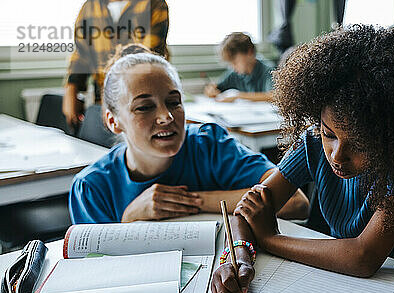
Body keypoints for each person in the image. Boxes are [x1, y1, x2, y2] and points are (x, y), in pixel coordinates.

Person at [210, 25, 394, 293]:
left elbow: (364, 257)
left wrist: (270, 239)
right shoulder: (313, 143)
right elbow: (249, 210)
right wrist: (239, 259)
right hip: (338, 283)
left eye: (360, 145)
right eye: (329, 134)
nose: (337, 155)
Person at [69, 52, 308, 224]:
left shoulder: (209, 145)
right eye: (144, 107)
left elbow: (295, 202)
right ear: (114, 121)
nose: (166, 116)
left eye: (174, 102)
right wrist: (130, 217)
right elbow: (97, 268)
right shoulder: (91, 188)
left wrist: (190, 201)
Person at [62, 0, 169, 131]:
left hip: (141, 100)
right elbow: (81, 52)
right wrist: (71, 88)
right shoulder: (90, 6)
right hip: (100, 100)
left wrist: (112, 93)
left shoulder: (154, 4)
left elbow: (144, 57)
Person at [203, 32, 274, 103]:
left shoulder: (269, 71)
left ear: (250, 52)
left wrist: (237, 95)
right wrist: (211, 90)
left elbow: (273, 96)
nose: (233, 67)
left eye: (235, 62)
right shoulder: (234, 73)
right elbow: (216, 89)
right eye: (230, 63)